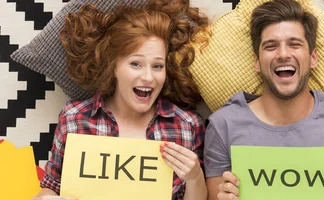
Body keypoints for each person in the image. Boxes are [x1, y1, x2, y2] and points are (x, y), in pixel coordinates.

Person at [32, 0, 210, 199]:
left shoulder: (187, 126)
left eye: (157, 66)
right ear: (114, 66)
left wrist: (195, 177)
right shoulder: (75, 118)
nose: (149, 77)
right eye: (136, 64)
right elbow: (50, 187)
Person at [202, 0, 324, 199]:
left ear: (313, 58)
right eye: (270, 46)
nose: (283, 54)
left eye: (294, 44)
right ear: (257, 62)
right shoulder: (223, 124)